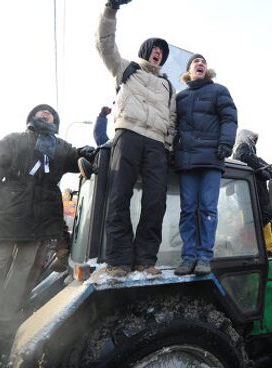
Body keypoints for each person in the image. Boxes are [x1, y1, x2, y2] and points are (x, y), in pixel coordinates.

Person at [0, 104, 93, 352]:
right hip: (7, 211)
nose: (46, 114)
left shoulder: (60, 147)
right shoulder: (14, 140)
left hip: (41, 217)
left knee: (24, 270)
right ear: (32, 118)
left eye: (51, 114)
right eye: (42, 112)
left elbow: (74, 157)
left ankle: (6, 323)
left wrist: (87, 151)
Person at [96, 0, 177, 277]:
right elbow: (104, 44)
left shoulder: (168, 84)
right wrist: (110, 9)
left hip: (156, 143)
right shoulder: (126, 68)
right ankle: (118, 260)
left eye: (162, 53)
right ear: (146, 52)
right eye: (155, 50)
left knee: (156, 201)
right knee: (119, 195)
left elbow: (173, 118)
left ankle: (145, 259)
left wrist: (169, 146)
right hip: (128, 134)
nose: (158, 54)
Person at [171, 53, 237, 276]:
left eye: (203, 62)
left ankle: (204, 258)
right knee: (188, 209)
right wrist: (171, 150)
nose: (200, 64)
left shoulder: (219, 91)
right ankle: (188, 257)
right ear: (188, 71)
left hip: (211, 158)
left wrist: (226, 143)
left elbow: (229, 118)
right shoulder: (179, 98)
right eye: (195, 62)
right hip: (186, 160)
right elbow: (173, 126)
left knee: (207, 208)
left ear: (206, 70)